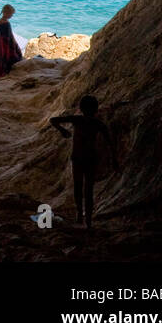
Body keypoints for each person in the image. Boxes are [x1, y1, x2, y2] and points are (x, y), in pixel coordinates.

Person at [50, 95, 118, 228]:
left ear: (81, 108)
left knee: (78, 187)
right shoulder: (97, 123)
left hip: (78, 158)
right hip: (90, 158)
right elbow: (110, 142)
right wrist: (114, 159)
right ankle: (87, 220)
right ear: (96, 109)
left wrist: (62, 130)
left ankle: (80, 214)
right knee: (88, 190)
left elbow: (53, 120)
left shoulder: (78, 120)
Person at [0, 3, 23, 82]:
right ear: (6, 13)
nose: (11, 16)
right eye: (11, 14)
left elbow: (0, 32)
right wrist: (15, 44)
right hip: (5, 42)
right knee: (10, 56)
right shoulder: (6, 23)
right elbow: (9, 35)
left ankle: (1, 73)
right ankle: (5, 73)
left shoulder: (0, 21)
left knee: (0, 57)